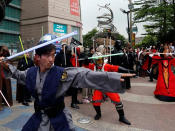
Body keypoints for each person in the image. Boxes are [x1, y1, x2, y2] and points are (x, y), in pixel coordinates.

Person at [0, 34, 134, 131]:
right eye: (47, 55)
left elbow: (84, 74)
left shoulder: (62, 73)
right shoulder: (30, 73)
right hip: (39, 118)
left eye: (53, 55)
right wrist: (6, 65)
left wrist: (112, 77)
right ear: (38, 57)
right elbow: (17, 74)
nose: (51, 59)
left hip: (59, 118)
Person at [88, 52, 133, 125]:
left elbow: (116, 67)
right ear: (94, 61)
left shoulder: (106, 66)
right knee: (95, 101)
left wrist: (127, 70)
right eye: (98, 60)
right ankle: (98, 114)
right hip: (98, 87)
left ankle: (122, 117)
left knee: (117, 101)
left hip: (108, 86)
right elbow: (84, 67)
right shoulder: (92, 66)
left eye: (101, 60)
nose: (100, 62)